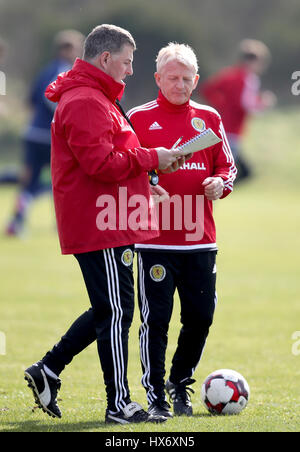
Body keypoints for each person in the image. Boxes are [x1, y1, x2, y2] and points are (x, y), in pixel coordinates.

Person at [24, 24, 185, 425]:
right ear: (106, 58)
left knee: (110, 308)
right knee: (116, 312)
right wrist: (152, 160)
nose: (131, 71)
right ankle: (119, 404)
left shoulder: (98, 97)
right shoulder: (85, 100)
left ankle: (48, 368)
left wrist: (146, 185)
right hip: (101, 224)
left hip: (112, 219)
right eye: (128, 62)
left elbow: (114, 157)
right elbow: (99, 164)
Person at [126, 42, 237, 417]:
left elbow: (227, 167)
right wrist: (148, 181)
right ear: (158, 78)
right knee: (155, 320)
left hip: (199, 240)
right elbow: (125, 167)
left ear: (196, 80)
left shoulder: (209, 117)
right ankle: (156, 395)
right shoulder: (138, 118)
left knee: (201, 316)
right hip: (153, 239)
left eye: (186, 78)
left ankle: (180, 383)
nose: (180, 84)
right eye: (172, 77)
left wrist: (220, 184)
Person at [4, 29, 84, 235]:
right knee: (63, 180)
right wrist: (66, 117)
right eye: (76, 49)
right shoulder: (63, 70)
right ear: (66, 50)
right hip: (50, 136)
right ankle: (63, 224)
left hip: (33, 133)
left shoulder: (44, 70)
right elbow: (49, 97)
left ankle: (17, 222)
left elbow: (30, 101)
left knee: (30, 181)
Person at [199, 39, 276, 184]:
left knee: (216, 171)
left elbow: (206, 90)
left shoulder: (228, 74)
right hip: (232, 132)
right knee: (223, 174)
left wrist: (218, 107)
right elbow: (247, 104)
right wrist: (263, 103)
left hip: (216, 128)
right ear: (254, 61)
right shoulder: (249, 79)